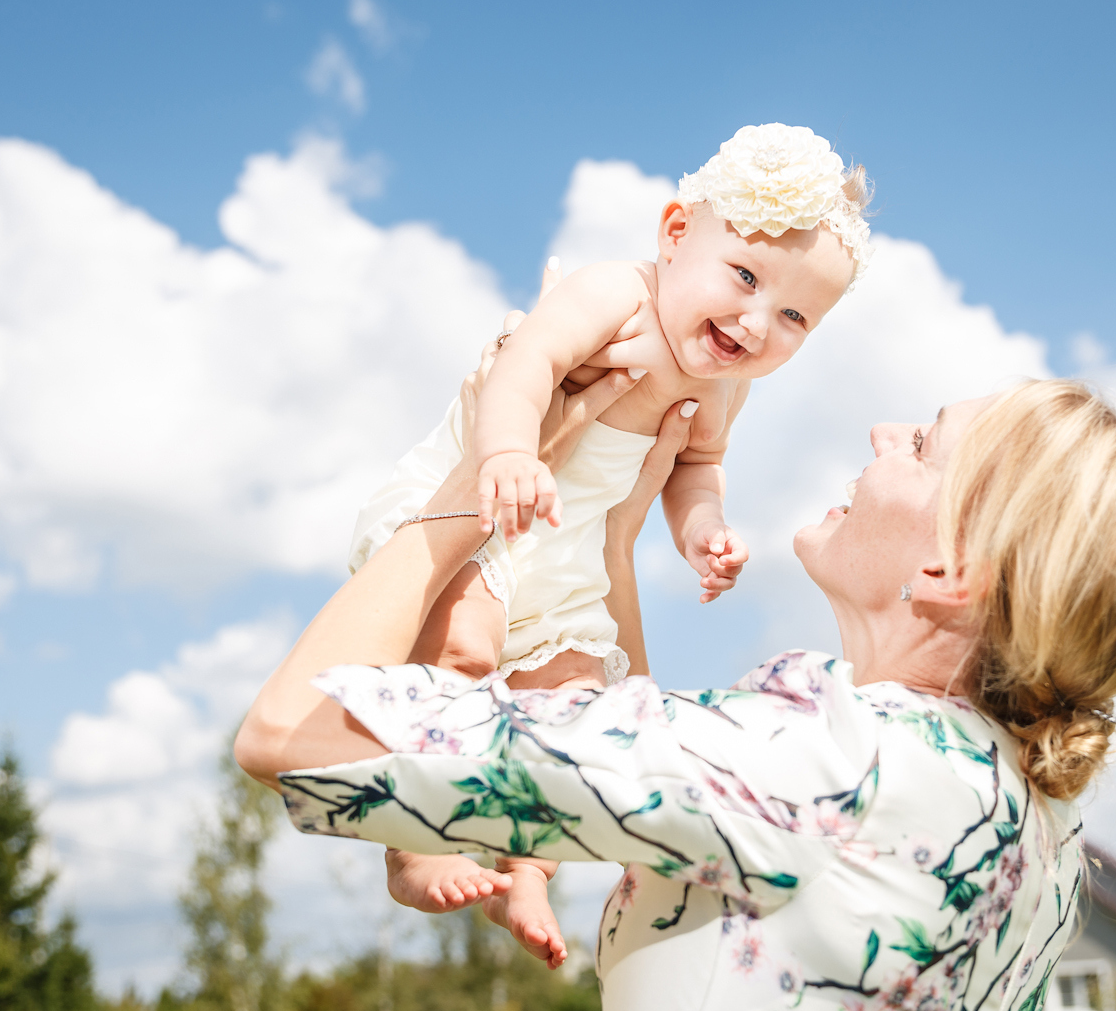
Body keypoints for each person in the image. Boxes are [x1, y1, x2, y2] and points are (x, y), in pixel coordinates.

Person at [236, 309, 1116, 1011]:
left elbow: (293, 732)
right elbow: (663, 805)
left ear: (950, 572)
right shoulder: (1036, 828)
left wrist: (468, 495)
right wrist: (611, 543)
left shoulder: (835, 764)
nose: (882, 431)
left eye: (922, 446)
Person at [345, 123, 873, 935]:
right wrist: (513, 452)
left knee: (574, 711)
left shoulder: (726, 387)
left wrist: (705, 530)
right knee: (463, 651)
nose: (757, 320)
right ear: (674, 235)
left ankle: (529, 870)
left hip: (569, 565)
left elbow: (695, 470)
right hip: (486, 510)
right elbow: (525, 364)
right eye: (744, 275)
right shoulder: (612, 293)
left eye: (795, 314)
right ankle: (410, 846)